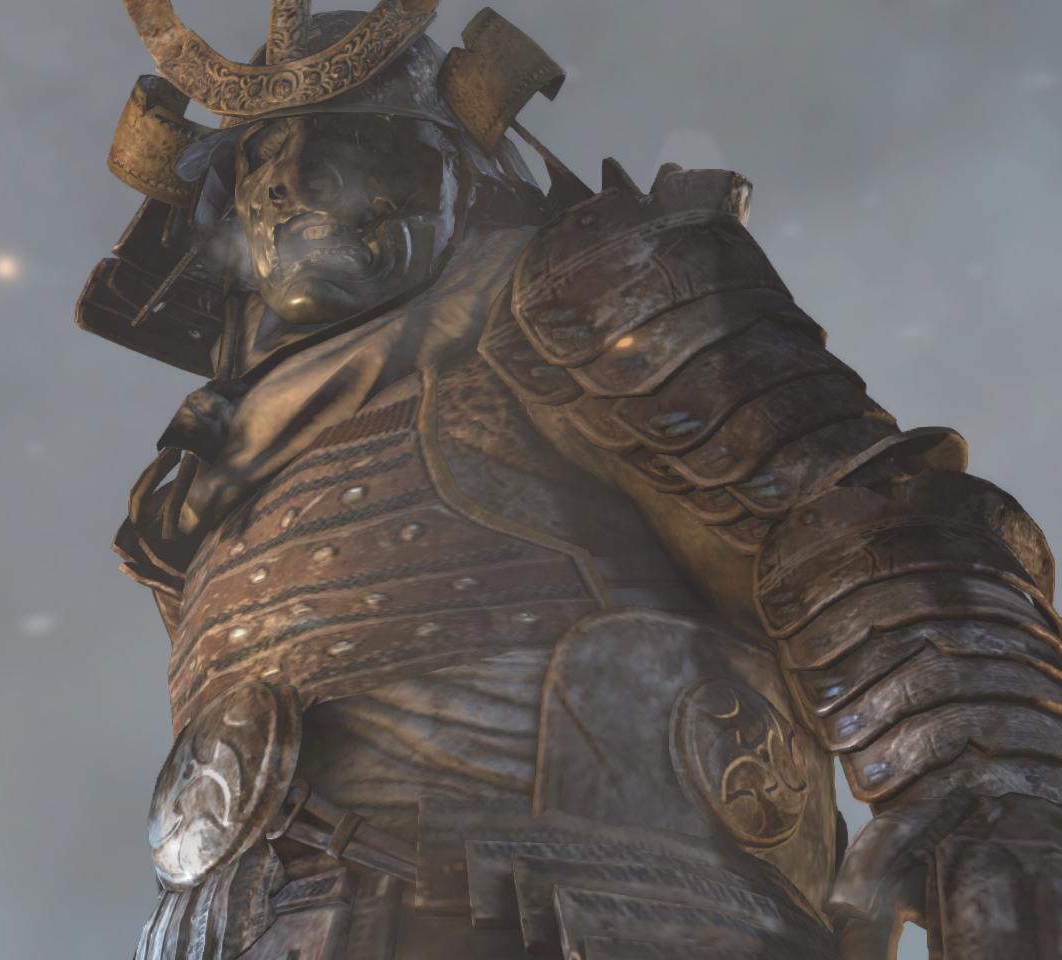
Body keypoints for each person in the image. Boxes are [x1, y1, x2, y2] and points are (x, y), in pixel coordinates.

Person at [76, 3, 1062, 957]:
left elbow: (850, 515)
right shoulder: (195, 484)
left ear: (450, 167)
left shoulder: (578, 296)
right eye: (258, 161)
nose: (287, 185)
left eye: (346, 140)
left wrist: (982, 770)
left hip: (593, 920)